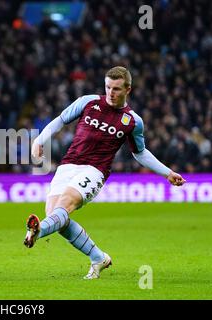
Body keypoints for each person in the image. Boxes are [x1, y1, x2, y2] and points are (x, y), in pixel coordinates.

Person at [24, 66, 186, 279]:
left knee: (64, 206)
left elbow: (140, 153)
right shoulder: (88, 102)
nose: (111, 92)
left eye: (117, 89)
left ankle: (38, 231)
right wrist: (39, 140)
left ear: (128, 89)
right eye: (108, 87)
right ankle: (99, 258)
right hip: (68, 165)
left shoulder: (132, 121)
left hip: (95, 170)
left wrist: (167, 173)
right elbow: (61, 120)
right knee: (56, 217)